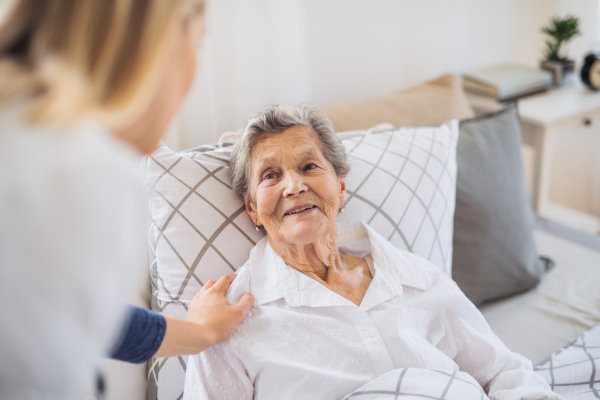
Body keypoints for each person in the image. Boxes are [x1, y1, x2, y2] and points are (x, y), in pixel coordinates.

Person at [183, 103, 562, 400]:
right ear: (252, 208)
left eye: (309, 166)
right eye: (270, 175)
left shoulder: (415, 277)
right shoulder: (227, 318)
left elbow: (502, 372)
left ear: (340, 188)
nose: (294, 186)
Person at [0, 1, 251, 399]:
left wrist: (203, 332)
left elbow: (77, 317)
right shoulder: (79, 167)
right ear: (154, 43)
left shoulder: (23, 131)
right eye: (197, 43)